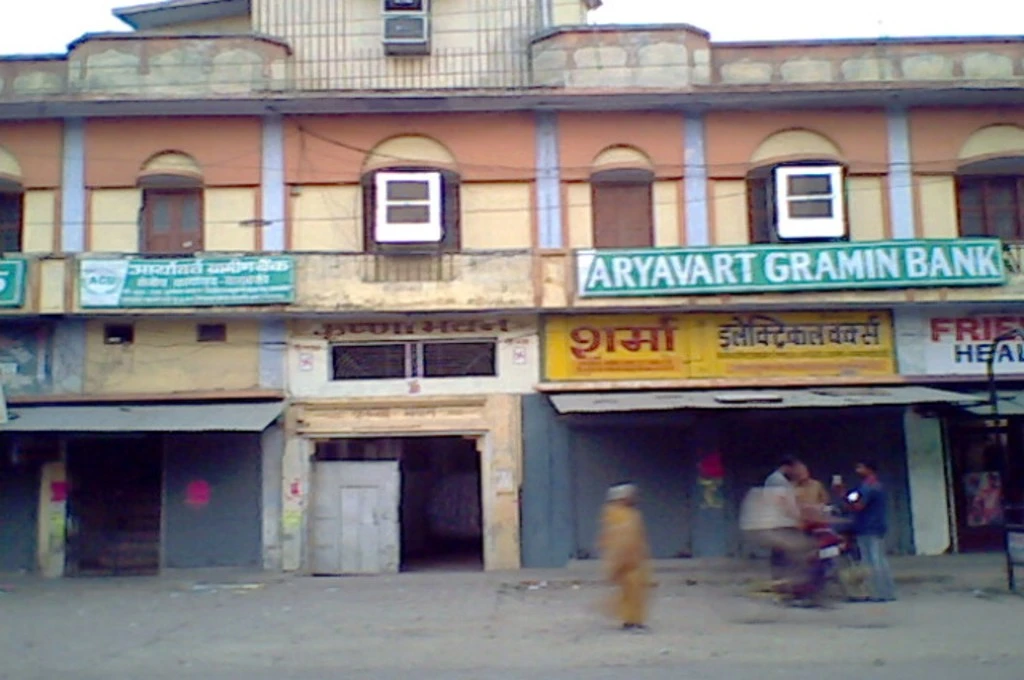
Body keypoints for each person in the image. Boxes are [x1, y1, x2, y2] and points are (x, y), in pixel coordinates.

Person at [597, 484, 652, 631]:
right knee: (630, 593)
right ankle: (630, 622)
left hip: (635, 559)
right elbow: (617, 538)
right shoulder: (615, 514)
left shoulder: (631, 514)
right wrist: (616, 561)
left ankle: (635, 620)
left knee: (636, 593)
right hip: (625, 560)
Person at [848, 461, 897, 602]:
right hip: (870, 527)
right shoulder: (869, 486)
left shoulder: (870, 487)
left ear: (869, 469)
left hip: (869, 527)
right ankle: (883, 591)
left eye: (860, 467)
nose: (857, 470)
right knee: (875, 560)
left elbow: (858, 505)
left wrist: (844, 496)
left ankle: (881, 592)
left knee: (874, 561)